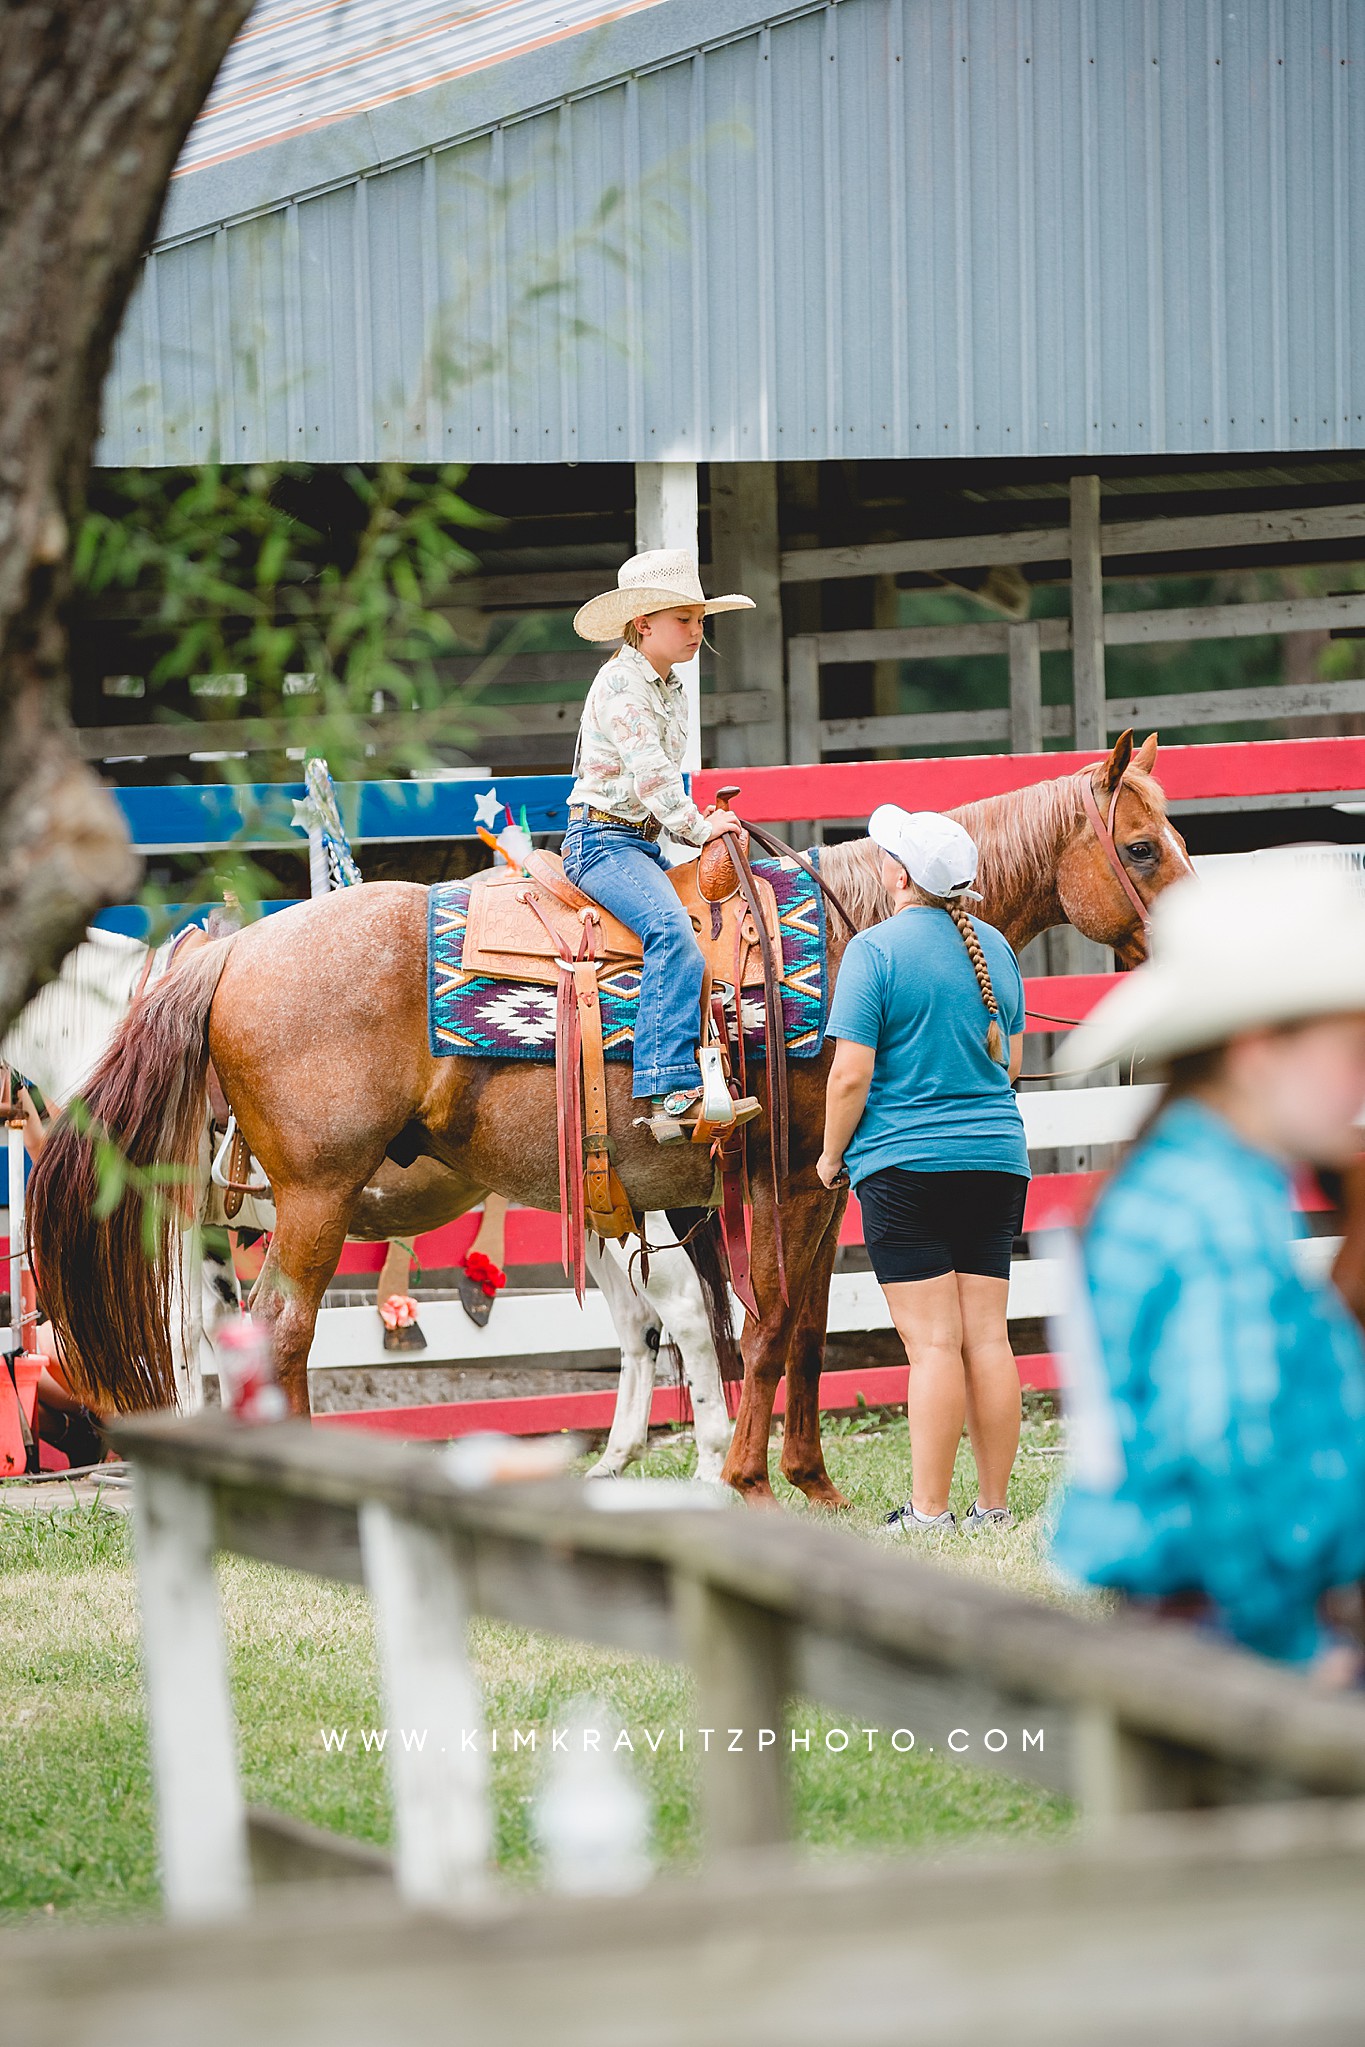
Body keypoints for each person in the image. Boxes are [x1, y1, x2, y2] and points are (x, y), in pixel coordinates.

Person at [1050, 854, 1365, 1681]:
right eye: (1351, 1052)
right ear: (1260, 1051)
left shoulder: (1179, 1178)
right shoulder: (1217, 1212)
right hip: (1245, 1642)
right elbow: (1222, 1448)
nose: (1360, 1083)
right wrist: (1293, 1648)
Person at [817, 807, 1029, 1536]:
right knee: (987, 1338)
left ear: (897, 875)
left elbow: (849, 1077)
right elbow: (1011, 1063)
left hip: (906, 1165)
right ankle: (992, 1508)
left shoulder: (872, 952)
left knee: (933, 1344)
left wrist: (826, 1155)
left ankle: (929, 1512)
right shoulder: (995, 947)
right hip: (996, 1161)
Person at [565, 549, 762, 1142]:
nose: (698, 632)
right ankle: (668, 1089)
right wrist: (702, 830)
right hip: (603, 842)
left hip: (639, 842)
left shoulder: (668, 685)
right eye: (685, 619)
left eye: (701, 620)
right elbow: (652, 774)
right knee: (672, 934)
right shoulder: (622, 683)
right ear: (643, 622)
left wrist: (692, 822)